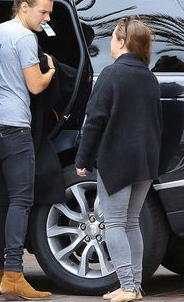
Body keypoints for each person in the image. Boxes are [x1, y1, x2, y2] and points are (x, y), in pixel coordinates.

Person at [0, 0, 55, 300]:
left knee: (1, 201)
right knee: (21, 201)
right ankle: (14, 274)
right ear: (24, 7)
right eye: (43, 12)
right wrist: (50, 68)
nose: (47, 18)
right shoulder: (24, 37)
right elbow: (36, 86)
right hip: (13, 129)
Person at [75, 17, 162, 302]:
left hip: (117, 161)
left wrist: (82, 158)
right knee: (131, 222)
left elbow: (94, 121)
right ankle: (133, 286)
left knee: (113, 223)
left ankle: (127, 286)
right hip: (145, 162)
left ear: (122, 42)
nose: (110, 42)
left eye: (113, 37)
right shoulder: (148, 76)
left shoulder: (112, 75)